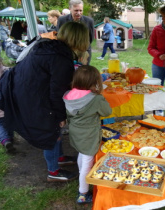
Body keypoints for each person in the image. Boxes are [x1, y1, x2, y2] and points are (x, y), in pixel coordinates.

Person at [0, 22, 90, 182]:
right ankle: (53, 172)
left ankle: (59, 157)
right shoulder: (60, 58)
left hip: (25, 91)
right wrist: (60, 117)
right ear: (80, 39)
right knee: (51, 131)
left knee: (54, 130)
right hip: (32, 96)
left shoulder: (50, 47)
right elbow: (57, 93)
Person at [63, 65, 112, 203]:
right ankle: (83, 193)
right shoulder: (95, 99)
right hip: (89, 135)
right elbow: (107, 112)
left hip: (75, 133)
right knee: (87, 163)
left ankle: (81, 175)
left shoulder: (68, 94)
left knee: (82, 154)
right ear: (94, 82)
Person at [57, 0, 94, 65]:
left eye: (81, 10)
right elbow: (59, 36)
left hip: (84, 52)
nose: (79, 13)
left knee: (83, 72)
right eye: (76, 10)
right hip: (67, 52)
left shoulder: (89, 21)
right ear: (70, 9)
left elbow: (90, 38)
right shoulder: (62, 20)